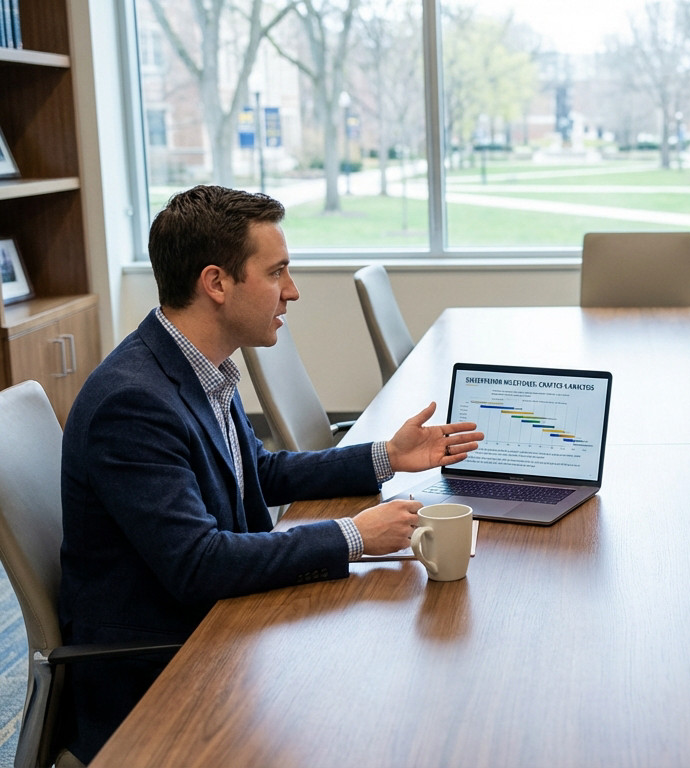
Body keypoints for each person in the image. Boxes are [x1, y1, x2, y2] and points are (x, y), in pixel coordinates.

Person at [59, 185, 484, 762]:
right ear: (216, 283)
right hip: (165, 673)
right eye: (277, 272)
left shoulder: (198, 363)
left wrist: (386, 455)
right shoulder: (132, 404)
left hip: (228, 629)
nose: (292, 291)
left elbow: (255, 473)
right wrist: (355, 537)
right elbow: (199, 564)